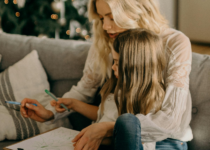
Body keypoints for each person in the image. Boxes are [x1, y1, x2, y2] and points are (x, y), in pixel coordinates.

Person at [21, 0, 193, 149]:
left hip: (164, 141)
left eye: (111, 17)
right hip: (111, 137)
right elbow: (84, 91)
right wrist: (51, 112)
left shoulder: (174, 43)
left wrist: (109, 128)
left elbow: (171, 120)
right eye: (102, 18)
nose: (105, 26)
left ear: (135, 10)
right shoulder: (107, 41)